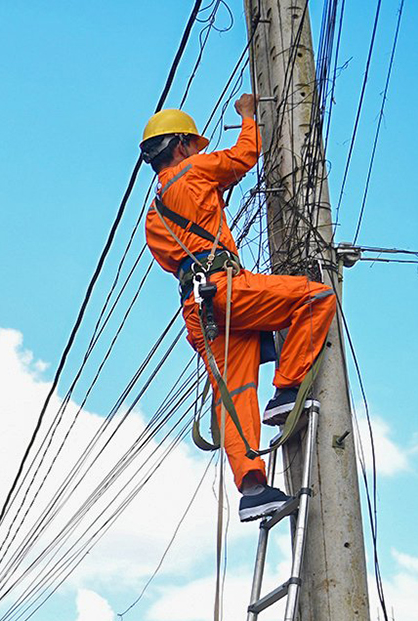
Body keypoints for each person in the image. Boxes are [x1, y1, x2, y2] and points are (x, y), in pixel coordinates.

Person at [141, 94, 336, 523]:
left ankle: (253, 489)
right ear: (180, 147)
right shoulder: (195, 170)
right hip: (227, 289)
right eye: (194, 144)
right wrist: (248, 116)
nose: (199, 149)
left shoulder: (156, 214)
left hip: (199, 310)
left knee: (236, 395)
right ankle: (287, 392)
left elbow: (181, 250)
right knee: (316, 296)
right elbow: (245, 155)